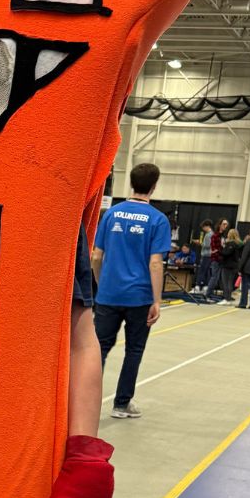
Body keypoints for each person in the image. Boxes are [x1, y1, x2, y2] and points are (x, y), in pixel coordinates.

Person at [91, 163, 171, 419]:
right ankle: (121, 404)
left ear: (132, 183)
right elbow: (155, 263)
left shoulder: (111, 214)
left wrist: (102, 284)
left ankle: (85, 405)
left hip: (108, 295)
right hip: (139, 297)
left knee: (98, 350)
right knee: (133, 351)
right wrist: (157, 300)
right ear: (154, 186)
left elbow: (96, 256)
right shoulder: (158, 220)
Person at [204, 218, 229, 301]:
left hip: (222, 259)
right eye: (224, 224)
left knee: (218, 278)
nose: (225, 226)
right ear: (219, 225)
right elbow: (214, 249)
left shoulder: (224, 236)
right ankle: (207, 294)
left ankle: (211, 294)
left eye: (226, 224)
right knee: (214, 277)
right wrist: (221, 252)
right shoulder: (215, 236)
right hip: (216, 259)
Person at [216, 228, 242, 305]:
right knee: (229, 283)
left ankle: (226, 299)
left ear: (230, 235)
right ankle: (228, 298)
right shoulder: (238, 244)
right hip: (234, 266)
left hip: (228, 266)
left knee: (226, 282)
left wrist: (219, 250)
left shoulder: (231, 244)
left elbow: (226, 253)